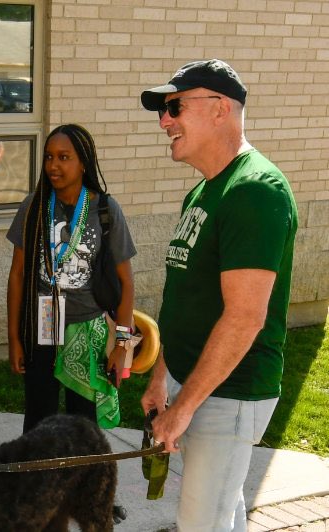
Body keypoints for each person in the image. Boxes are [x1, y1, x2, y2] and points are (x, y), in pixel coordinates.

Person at [139, 59, 298, 531]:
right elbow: (186, 300)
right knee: (222, 512)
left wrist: (182, 409)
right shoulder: (205, 192)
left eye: (174, 106)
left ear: (220, 109)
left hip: (230, 394)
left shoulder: (255, 190)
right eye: (162, 111)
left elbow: (246, 317)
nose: (165, 121)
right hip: (196, 386)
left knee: (201, 523)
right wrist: (161, 380)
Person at [6, 123, 136, 431]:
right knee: (39, 418)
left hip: (88, 328)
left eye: (64, 157)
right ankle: (40, 477)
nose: (53, 165)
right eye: (49, 157)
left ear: (83, 163)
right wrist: (14, 339)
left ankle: (83, 478)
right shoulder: (34, 206)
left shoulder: (105, 209)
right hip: (45, 323)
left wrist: (121, 344)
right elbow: (17, 276)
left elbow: (127, 282)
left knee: (84, 422)